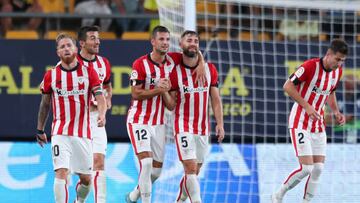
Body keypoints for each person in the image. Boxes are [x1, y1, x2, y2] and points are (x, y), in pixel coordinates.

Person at [125, 25, 206, 203]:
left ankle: (134, 195)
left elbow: (191, 51)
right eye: (161, 39)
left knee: (155, 172)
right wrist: (158, 89)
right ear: (153, 42)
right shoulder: (140, 64)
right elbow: (135, 93)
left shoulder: (173, 61)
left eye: (168, 39)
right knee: (146, 164)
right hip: (139, 120)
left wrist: (201, 62)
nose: (165, 43)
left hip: (159, 122)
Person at [271, 38, 348, 203]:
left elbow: (330, 91)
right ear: (328, 54)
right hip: (300, 121)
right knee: (306, 168)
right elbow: (287, 86)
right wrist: (306, 106)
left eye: (342, 61)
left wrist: (336, 111)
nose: (339, 63)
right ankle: (278, 195)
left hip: (318, 124)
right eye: (337, 59)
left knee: (318, 168)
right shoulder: (310, 66)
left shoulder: (338, 72)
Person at [35, 33, 107, 203]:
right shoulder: (51, 76)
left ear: (76, 49)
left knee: (87, 180)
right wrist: (40, 129)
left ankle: (79, 201)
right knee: (61, 172)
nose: (66, 48)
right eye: (62, 47)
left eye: (69, 45)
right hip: (60, 132)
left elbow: (100, 97)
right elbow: (45, 104)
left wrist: (102, 114)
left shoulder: (89, 73)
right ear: (58, 53)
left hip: (83, 133)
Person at [162, 30, 225, 203]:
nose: (193, 43)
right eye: (189, 40)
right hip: (182, 125)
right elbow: (171, 105)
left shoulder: (209, 69)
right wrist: (163, 92)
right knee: (189, 168)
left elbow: (216, 99)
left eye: (196, 41)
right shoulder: (174, 71)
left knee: (194, 172)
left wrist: (220, 124)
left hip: (203, 127)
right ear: (181, 44)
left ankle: (180, 200)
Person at [77, 25, 112, 203]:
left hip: (96, 118)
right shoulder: (70, 63)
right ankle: (79, 200)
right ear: (82, 43)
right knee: (85, 176)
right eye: (92, 38)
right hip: (76, 122)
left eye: (98, 38)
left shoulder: (103, 63)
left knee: (99, 162)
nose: (97, 41)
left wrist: (106, 104)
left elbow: (106, 85)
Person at [325, 74, 360, 143]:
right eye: (349, 85)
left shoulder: (357, 98)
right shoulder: (335, 98)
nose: (352, 87)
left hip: (357, 135)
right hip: (336, 136)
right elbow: (327, 120)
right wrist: (342, 120)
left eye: (355, 85)